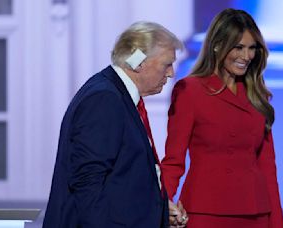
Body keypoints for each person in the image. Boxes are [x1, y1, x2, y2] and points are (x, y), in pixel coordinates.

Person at [43, 21, 187, 228]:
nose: (171, 73)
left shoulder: (116, 95)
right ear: (139, 62)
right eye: (167, 64)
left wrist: (159, 212)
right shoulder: (104, 99)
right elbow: (88, 184)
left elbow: (122, 181)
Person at [161, 8, 283, 228]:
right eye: (238, 47)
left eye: (252, 48)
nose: (246, 56)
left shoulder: (257, 95)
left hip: (256, 213)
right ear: (217, 45)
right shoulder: (189, 91)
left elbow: (267, 167)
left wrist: (277, 224)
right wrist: (158, 207)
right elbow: (174, 161)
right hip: (207, 211)